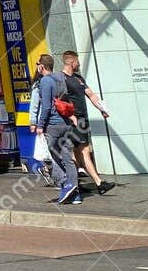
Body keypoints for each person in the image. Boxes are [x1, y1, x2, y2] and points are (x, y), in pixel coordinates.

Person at [60, 50, 115, 195]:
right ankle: (99, 183)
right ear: (71, 62)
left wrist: (101, 109)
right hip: (73, 120)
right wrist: (70, 116)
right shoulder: (61, 79)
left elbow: (91, 94)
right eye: (77, 62)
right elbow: (58, 101)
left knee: (78, 152)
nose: (79, 64)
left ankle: (74, 183)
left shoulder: (78, 78)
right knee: (84, 151)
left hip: (83, 120)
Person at [31, 53, 82, 205]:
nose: (37, 68)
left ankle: (66, 184)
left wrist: (40, 125)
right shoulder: (61, 78)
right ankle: (75, 194)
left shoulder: (45, 81)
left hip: (52, 125)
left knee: (54, 158)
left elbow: (46, 106)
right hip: (65, 123)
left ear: (42, 66)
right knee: (68, 158)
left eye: (38, 64)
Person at [22, 58, 52, 182]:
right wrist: (33, 122)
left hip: (53, 120)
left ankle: (49, 170)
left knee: (50, 148)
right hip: (43, 121)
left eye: (38, 64)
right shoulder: (38, 85)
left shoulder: (52, 80)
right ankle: (48, 169)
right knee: (46, 148)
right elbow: (34, 105)